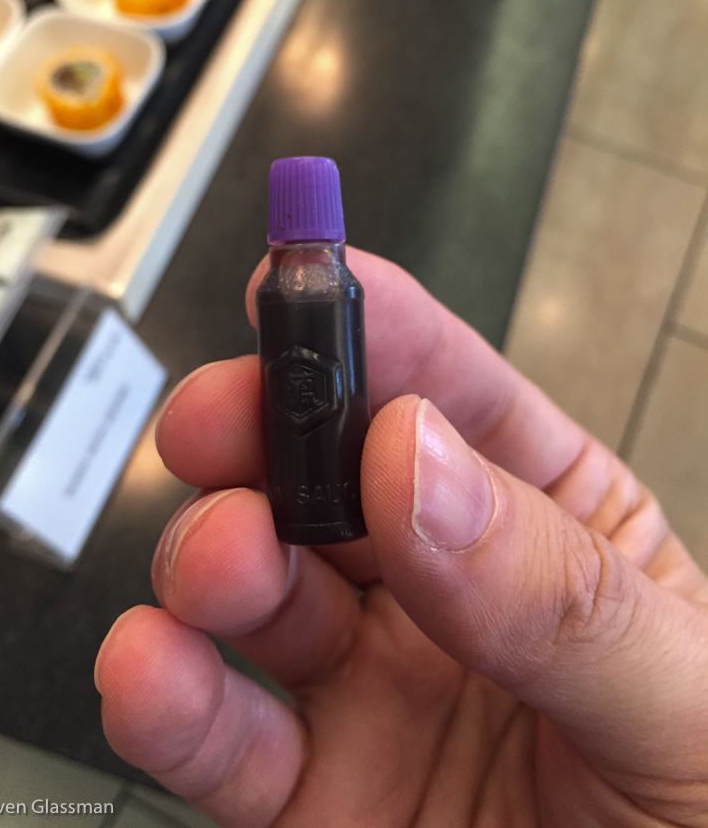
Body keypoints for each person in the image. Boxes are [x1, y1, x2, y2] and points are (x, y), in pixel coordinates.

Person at [94, 248, 708, 827]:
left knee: (224, 541)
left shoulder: (322, 289)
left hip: (378, 556)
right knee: (220, 546)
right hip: (357, 569)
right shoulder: (315, 289)